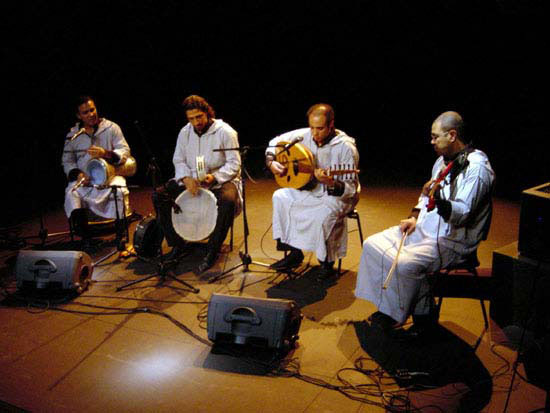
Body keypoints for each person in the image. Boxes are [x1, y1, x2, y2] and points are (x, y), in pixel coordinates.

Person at [355, 111, 495, 330]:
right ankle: (389, 308)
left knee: (406, 265)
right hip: (426, 228)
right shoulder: (442, 161)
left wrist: (438, 198)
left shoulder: (476, 169)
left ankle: (423, 318)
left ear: (452, 135)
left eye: (435, 136)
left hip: (454, 241)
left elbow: (462, 214)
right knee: (372, 245)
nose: (431, 141)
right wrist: (414, 216)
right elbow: (426, 197)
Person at [265, 103, 360, 278]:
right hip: (309, 188)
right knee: (280, 196)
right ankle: (294, 253)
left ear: (331, 125)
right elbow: (274, 143)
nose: (314, 133)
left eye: (320, 128)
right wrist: (271, 162)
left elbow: (351, 189)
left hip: (336, 197)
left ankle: (326, 262)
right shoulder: (304, 135)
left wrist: (330, 182)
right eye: (312, 128)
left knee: (322, 216)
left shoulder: (345, 147)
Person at [153, 95, 241, 273]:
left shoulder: (225, 132)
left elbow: (234, 163)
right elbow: (178, 159)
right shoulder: (185, 132)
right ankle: (177, 244)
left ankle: (212, 249)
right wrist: (186, 178)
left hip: (220, 179)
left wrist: (214, 177)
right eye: (191, 119)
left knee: (228, 200)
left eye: (199, 117)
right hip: (192, 178)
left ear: (207, 113)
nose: (196, 122)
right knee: (160, 195)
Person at [62, 96, 132, 239]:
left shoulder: (111, 128)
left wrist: (105, 153)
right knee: (71, 193)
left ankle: (121, 233)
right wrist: (78, 175)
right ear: (79, 116)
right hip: (86, 180)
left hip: (110, 177)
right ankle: (85, 237)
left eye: (92, 110)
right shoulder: (72, 136)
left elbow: (125, 150)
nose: (91, 114)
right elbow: (67, 161)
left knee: (119, 190)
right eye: (85, 112)